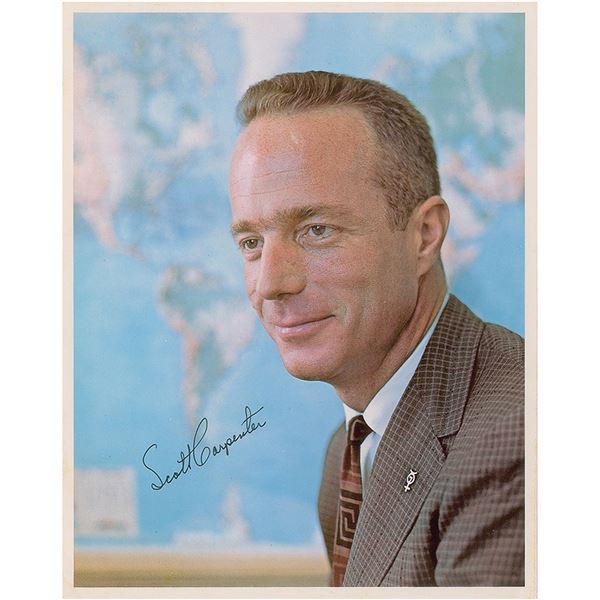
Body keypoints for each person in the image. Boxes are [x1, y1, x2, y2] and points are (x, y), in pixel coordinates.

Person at [228, 71, 524, 587]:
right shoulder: (349, 450)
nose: (271, 284)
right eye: (252, 242)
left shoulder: (515, 438)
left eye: (316, 230)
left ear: (424, 236)